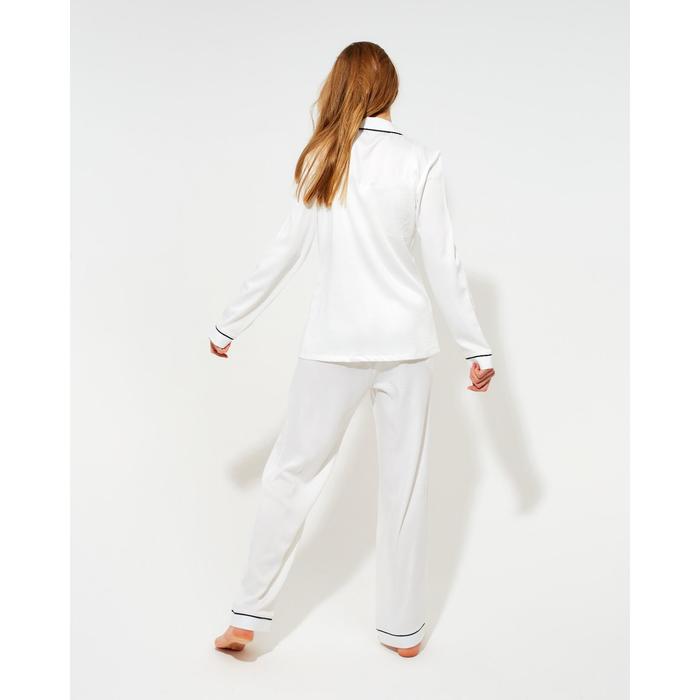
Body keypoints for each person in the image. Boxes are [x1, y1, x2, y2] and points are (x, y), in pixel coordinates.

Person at [210, 41, 495, 658]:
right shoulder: (419, 159)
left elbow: (284, 251)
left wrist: (231, 324)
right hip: (406, 344)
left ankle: (247, 616)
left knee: (291, 474)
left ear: (340, 85)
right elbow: (443, 261)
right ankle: (403, 631)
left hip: (334, 342)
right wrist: (477, 348)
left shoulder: (324, 155)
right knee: (405, 488)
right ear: (391, 87)